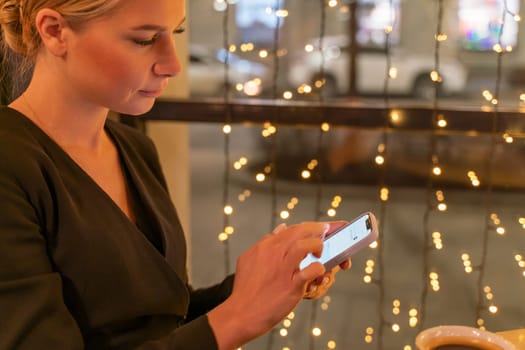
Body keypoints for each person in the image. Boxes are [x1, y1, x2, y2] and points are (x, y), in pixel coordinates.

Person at [0, 0, 352, 349]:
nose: (173, 65)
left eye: (176, 33)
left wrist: (270, 278)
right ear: (54, 31)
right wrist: (241, 315)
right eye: (145, 39)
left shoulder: (133, 148)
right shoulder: (12, 161)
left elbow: (164, 317)